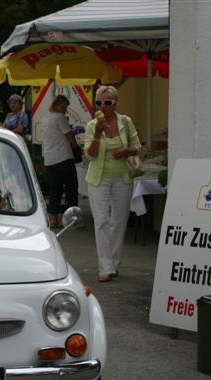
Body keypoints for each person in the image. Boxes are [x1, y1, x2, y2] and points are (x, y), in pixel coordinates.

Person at [83, 85, 141, 282]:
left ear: (115, 104)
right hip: (99, 178)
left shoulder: (125, 122)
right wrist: (98, 134)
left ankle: (114, 263)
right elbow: (89, 155)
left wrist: (125, 151)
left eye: (107, 102)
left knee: (119, 221)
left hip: (122, 177)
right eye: (99, 102)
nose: (102, 106)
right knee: (101, 221)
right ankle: (105, 267)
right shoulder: (92, 125)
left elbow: (137, 146)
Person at [41, 94, 80, 227]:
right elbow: (69, 135)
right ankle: (71, 219)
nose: (65, 110)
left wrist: (45, 160)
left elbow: (45, 141)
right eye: (63, 107)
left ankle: (53, 220)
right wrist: (76, 146)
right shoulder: (60, 117)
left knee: (55, 190)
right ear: (56, 105)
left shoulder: (45, 118)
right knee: (71, 189)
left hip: (50, 159)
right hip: (64, 157)